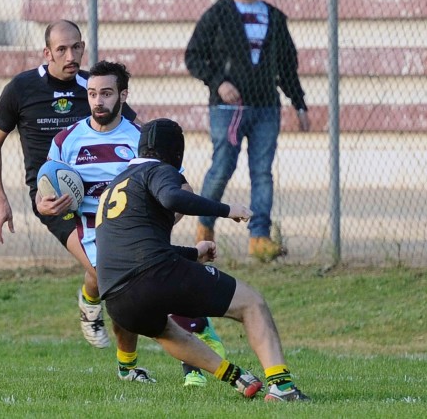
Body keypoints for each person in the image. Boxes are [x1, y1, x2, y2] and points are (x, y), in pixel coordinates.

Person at [95, 118, 310, 401]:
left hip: (116, 300)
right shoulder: (158, 170)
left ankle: (236, 377)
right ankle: (282, 387)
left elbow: (135, 250)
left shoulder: (115, 184)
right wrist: (227, 209)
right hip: (152, 276)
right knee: (251, 303)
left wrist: (194, 253)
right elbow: (172, 198)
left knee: (167, 331)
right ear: (176, 152)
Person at [39, 61, 224, 385]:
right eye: (92, 94)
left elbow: (181, 189)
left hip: (138, 234)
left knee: (138, 293)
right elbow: (45, 189)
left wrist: (159, 219)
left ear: (123, 95)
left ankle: (158, 361)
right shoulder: (66, 141)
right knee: (131, 293)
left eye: (106, 93)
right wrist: (46, 204)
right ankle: (182, 346)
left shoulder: (140, 139)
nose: (98, 101)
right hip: (92, 234)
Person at [0, 20, 138, 349]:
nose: (71, 56)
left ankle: (90, 300)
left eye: (76, 47)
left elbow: (135, 129)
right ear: (47, 53)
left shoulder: (94, 89)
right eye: (62, 49)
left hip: (103, 196)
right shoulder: (22, 89)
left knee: (109, 265)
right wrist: (0, 201)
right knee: (107, 267)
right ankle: (98, 315)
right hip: (54, 199)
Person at [185, 0, 311, 261]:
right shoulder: (218, 13)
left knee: (263, 173)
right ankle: (204, 228)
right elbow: (193, 55)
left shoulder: (274, 17)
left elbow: (287, 66)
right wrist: (219, 83)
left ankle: (259, 238)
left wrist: (299, 104)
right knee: (222, 168)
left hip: (266, 108)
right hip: (227, 110)